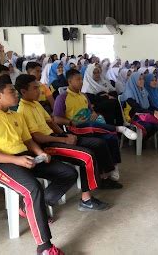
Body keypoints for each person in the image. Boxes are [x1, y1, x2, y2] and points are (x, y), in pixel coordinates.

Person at [0, 75, 76, 255]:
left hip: (24, 157)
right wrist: (15, 160)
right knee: (33, 188)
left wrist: (39, 152)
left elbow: (27, 140)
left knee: (68, 173)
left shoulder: (15, 115)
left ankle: (33, 206)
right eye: (11, 91)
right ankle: (44, 247)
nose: (16, 94)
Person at [15, 74, 114, 209]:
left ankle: (104, 178)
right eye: (35, 88)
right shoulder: (23, 110)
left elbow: (51, 122)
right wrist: (62, 139)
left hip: (56, 137)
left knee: (98, 143)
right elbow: (37, 137)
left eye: (38, 88)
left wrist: (65, 135)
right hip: (47, 146)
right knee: (87, 156)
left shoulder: (35, 104)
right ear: (23, 92)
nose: (39, 91)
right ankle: (86, 200)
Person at [53, 69, 134, 185]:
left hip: (91, 127)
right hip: (76, 129)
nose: (81, 82)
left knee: (110, 137)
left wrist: (94, 114)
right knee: (93, 128)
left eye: (81, 79)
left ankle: (111, 169)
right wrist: (70, 122)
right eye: (78, 80)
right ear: (70, 81)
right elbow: (56, 119)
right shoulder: (62, 98)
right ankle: (118, 128)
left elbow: (91, 111)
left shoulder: (83, 96)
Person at [123, 72, 158, 143]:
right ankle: (139, 142)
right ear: (134, 80)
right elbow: (137, 109)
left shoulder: (143, 91)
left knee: (156, 124)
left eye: (142, 79)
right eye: (139, 79)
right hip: (134, 116)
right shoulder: (129, 93)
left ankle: (143, 140)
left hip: (144, 114)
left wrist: (155, 111)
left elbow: (149, 105)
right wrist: (152, 113)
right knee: (148, 126)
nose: (142, 81)